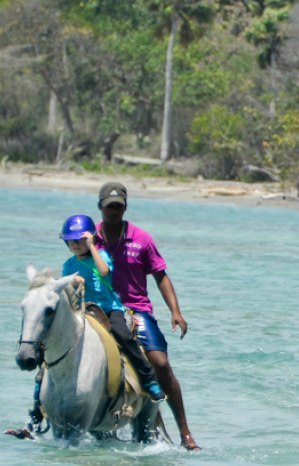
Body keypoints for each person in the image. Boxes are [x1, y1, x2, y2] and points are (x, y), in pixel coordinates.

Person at [94, 182, 199, 450]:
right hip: (99, 307)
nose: (113, 211)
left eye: (118, 206)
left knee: (160, 364)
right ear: (100, 207)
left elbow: (161, 276)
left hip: (136, 309)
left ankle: (185, 434)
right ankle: (38, 414)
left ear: (125, 207)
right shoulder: (89, 236)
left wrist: (175, 312)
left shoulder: (142, 239)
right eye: (109, 207)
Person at [60, 215, 166, 402]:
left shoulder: (101, 255)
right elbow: (66, 288)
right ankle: (39, 397)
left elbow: (103, 271)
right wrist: (73, 281)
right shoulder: (68, 265)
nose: (75, 245)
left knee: (123, 335)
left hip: (108, 309)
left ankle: (149, 380)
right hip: (83, 310)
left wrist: (92, 246)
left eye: (80, 240)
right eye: (71, 241)